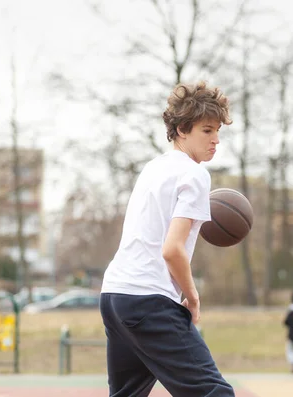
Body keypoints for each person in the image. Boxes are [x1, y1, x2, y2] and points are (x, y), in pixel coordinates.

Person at [99, 81, 235, 396]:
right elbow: (172, 250)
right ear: (182, 129)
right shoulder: (194, 174)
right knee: (215, 393)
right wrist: (192, 296)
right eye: (207, 131)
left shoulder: (152, 168)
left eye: (217, 132)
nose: (215, 140)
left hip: (115, 296)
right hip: (149, 299)